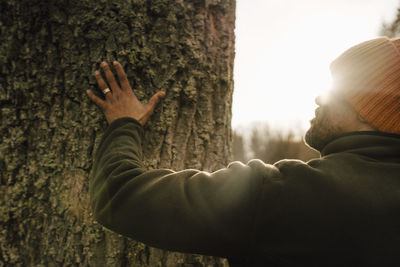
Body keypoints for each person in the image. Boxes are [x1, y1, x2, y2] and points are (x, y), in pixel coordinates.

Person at [86, 37, 400, 266]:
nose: (320, 98)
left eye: (336, 92)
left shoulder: (288, 194)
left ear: (370, 109)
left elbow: (121, 194)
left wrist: (124, 124)